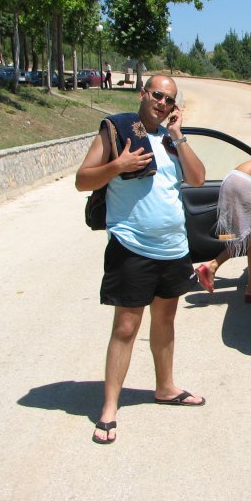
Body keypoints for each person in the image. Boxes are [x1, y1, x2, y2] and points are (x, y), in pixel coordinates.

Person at [76, 74, 206, 445]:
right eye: (157, 95)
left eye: (169, 99)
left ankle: (165, 387)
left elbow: (198, 179)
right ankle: (109, 408)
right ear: (143, 94)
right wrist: (118, 165)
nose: (162, 103)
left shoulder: (170, 140)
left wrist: (179, 135)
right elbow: (82, 180)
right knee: (126, 327)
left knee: (165, 320)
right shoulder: (116, 132)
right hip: (132, 245)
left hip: (173, 248)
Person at [195, 154, 251, 304]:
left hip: (235, 179)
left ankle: (249, 287)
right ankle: (248, 286)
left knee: (249, 237)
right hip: (242, 182)